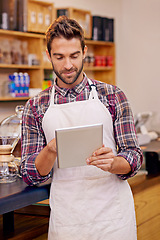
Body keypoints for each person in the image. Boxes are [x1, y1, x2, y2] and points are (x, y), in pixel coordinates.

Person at [20, 16, 143, 240]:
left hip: (114, 217)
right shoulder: (35, 107)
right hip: (68, 220)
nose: (68, 65)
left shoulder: (113, 96)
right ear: (48, 56)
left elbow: (133, 155)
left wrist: (115, 162)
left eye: (74, 56)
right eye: (59, 57)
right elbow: (31, 174)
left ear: (84, 51)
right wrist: (51, 150)